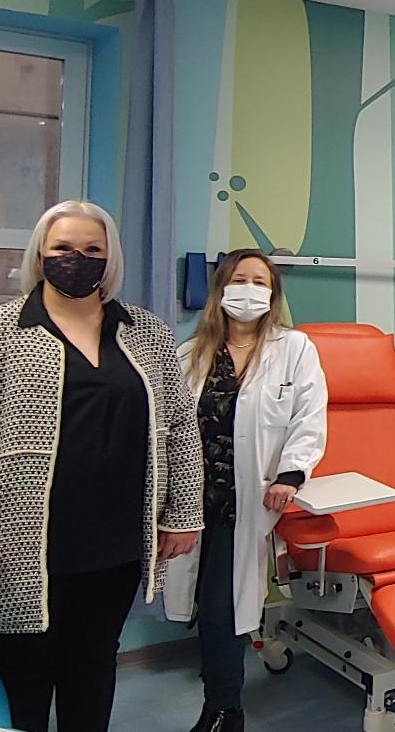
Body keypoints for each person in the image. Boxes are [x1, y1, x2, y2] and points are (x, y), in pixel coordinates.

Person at [0, 200, 204, 732]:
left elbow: (180, 428)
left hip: (115, 546)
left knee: (93, 674)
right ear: (40, 254)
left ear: (110, 259)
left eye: (92, 250)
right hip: (20, 548)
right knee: (25, 684)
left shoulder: (146, 332)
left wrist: (183, 513)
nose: (76, 260)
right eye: (62, 248)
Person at [165, 250, 327, 732]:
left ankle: (223, 710)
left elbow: (309, 418)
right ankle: (219, 692)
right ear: (221, 289)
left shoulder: (294, 349)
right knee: (204, 603)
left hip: (248, 502)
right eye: (240, 279)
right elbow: (169, 428)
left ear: (273, 295)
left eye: (261, 281)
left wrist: (291, 474)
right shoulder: (190, 354)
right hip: (192, 502)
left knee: (222, 608)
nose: (250, 290)